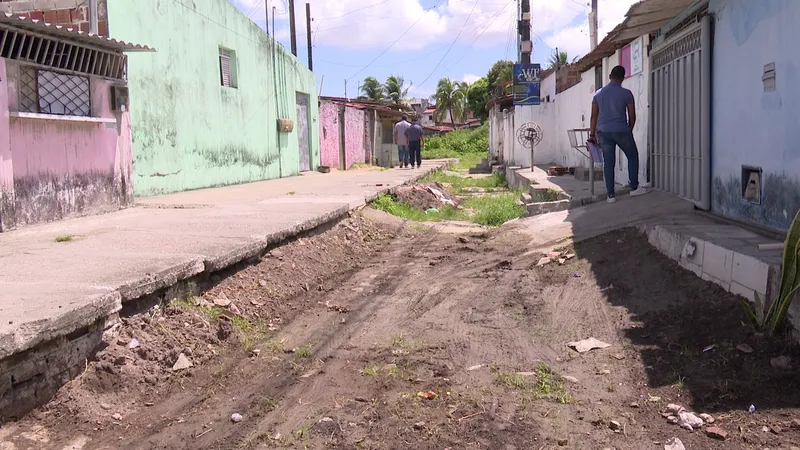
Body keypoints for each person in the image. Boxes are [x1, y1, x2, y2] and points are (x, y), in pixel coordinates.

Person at [589, 65, 649, 203]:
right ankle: (634, 188)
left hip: (603, 132)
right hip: (622, 130)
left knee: (608, 163)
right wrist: (629, 129)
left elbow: (594, 116)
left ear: (610, 77)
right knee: (632, 156)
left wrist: (592, 134)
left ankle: (610, 195)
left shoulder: (598, 94)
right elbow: (632, 116)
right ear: (622, 78)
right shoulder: (627, 94)